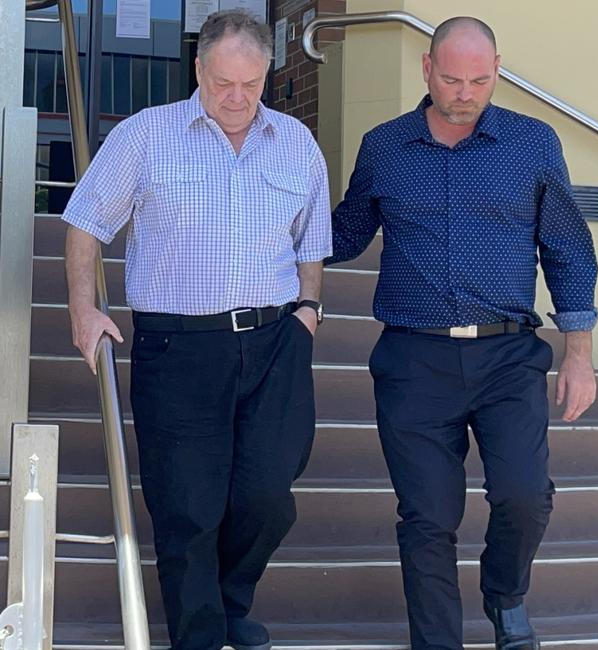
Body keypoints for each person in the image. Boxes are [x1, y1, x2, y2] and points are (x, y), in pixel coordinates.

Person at [62, 10, 331, 650]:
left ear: (267, 74)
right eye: (222, 84)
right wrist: (82, 309)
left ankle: (231, 599)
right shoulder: (145, 136)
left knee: (268, 494)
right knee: (187, 505)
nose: (237, 99)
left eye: (251, 84)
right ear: (199, 70)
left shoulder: (297, 142)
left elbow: (311, 242)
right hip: (177, 346)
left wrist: (309, 312)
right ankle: (202, 632)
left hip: (274, 343)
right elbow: (84, 223)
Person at [327, 16, 598, 650]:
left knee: (525, 495)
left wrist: (578, 354)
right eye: (452, 78)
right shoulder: (384, 146)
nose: (467, 92)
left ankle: (505, 597)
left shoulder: (533, 143)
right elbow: (342, 235)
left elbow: (567, 248)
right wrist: (268, 238)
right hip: (413, 358)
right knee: (427, 518)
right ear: (426, 68)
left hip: (508, 354)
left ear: (497, 69)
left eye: (481, 78)